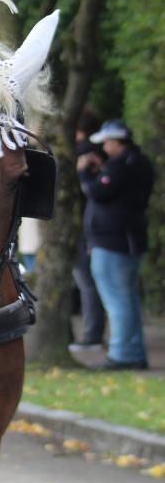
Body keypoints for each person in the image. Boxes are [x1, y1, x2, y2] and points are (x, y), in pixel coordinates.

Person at [77, 118, 155, 370]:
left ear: (115, 141)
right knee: (127, 298)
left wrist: (85, 172)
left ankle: (123, 354)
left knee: (117, 299)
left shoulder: (122, 164)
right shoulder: (136, 162)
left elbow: (99, 192)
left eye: (107, 143)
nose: (105, 148)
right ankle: (132, 351)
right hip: (126, 240)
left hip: (113, 241)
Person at [69, 110, 107, 350]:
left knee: (86, 280)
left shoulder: (81, 153)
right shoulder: (99, 154)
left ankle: (92, 334)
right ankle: (93, 332)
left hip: (82, 226)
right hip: (92, 224)